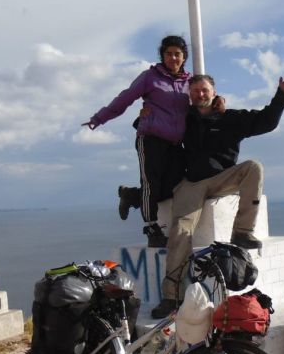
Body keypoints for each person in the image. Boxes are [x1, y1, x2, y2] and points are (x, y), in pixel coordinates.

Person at [152, 69, 284, 318]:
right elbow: (156, 126)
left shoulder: (231, 118)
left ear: (214, 92)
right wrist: (144, 116)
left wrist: (283, 95)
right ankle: (172, 296)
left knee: (254, 167)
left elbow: (266, 121)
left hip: (223, 177)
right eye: (196, 91)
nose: (200, 94)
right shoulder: (183, 119)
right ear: (190, 95)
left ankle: (241, 233)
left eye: (205, 90)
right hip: (193, 182)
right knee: (180, 231)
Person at [84, 36, 224, 247]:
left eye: (177, 54)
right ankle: (152, 229)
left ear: (184, 56)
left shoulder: (189, 81)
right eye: (168, 54)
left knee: (174, 186)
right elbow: (125, 97)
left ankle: (131, 195)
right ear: (163, 55)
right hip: (150, 138)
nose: (173, 58)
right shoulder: (150, 77)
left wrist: (219, 100)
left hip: (176, 143)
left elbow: (203, 95)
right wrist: (99, 118)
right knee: (151, 182)